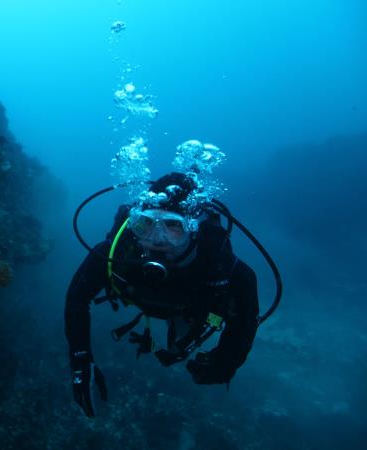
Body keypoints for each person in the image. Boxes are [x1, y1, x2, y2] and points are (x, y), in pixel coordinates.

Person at [65, 172, 260, 417]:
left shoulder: (228, 271)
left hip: (191, 310)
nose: (157, 239)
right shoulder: (115, 253)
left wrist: (224, 363)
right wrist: (81, 362)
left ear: (194, 229)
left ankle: (172, 344)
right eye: (145, 224)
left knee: (177, 349)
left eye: (173, 226)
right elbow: (76, 299)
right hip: (149, 299)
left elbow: (244, 323)